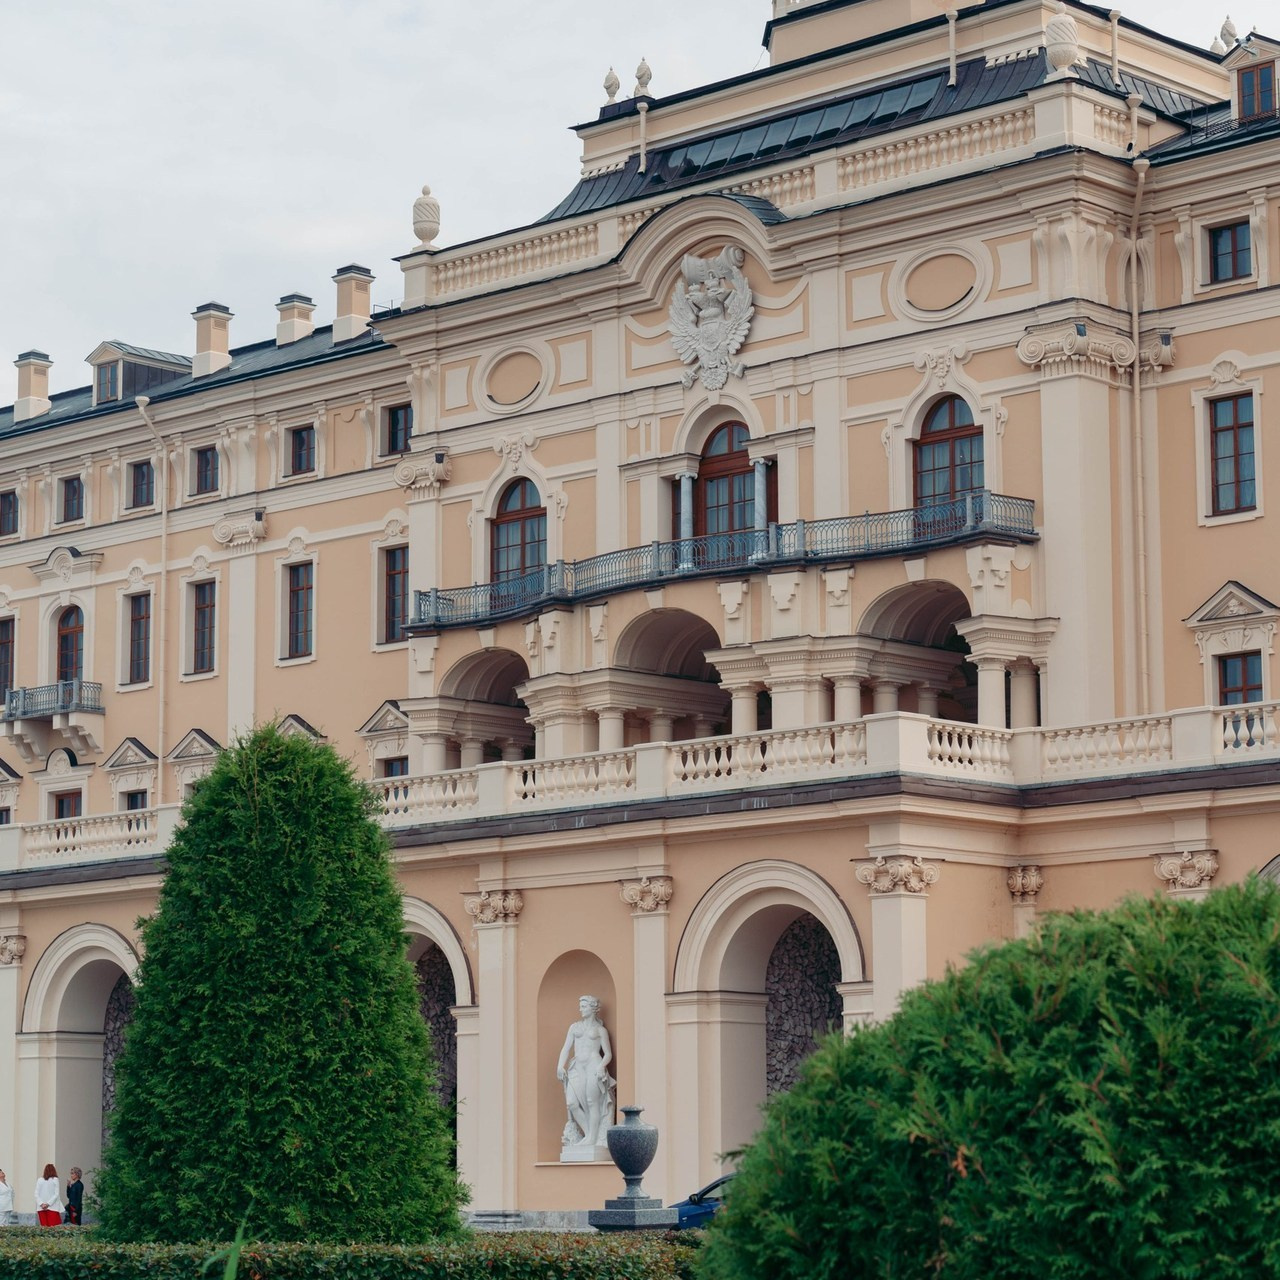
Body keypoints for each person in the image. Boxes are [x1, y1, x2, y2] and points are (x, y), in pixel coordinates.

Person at [555, 994, 616, 1150]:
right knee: (572, 1103)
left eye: (583, 1006)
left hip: (593, 1065)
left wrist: (602, 1066)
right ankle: (590, 1134)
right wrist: (560, 1065)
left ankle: (592, 1138)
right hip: (576, 1066)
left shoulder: (600, 1030)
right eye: (580, 1006)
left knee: (591, 1102)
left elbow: (608, 1054)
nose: (580, 1009)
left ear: (593, 1008)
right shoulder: (574, 1027)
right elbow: (565, 1047)